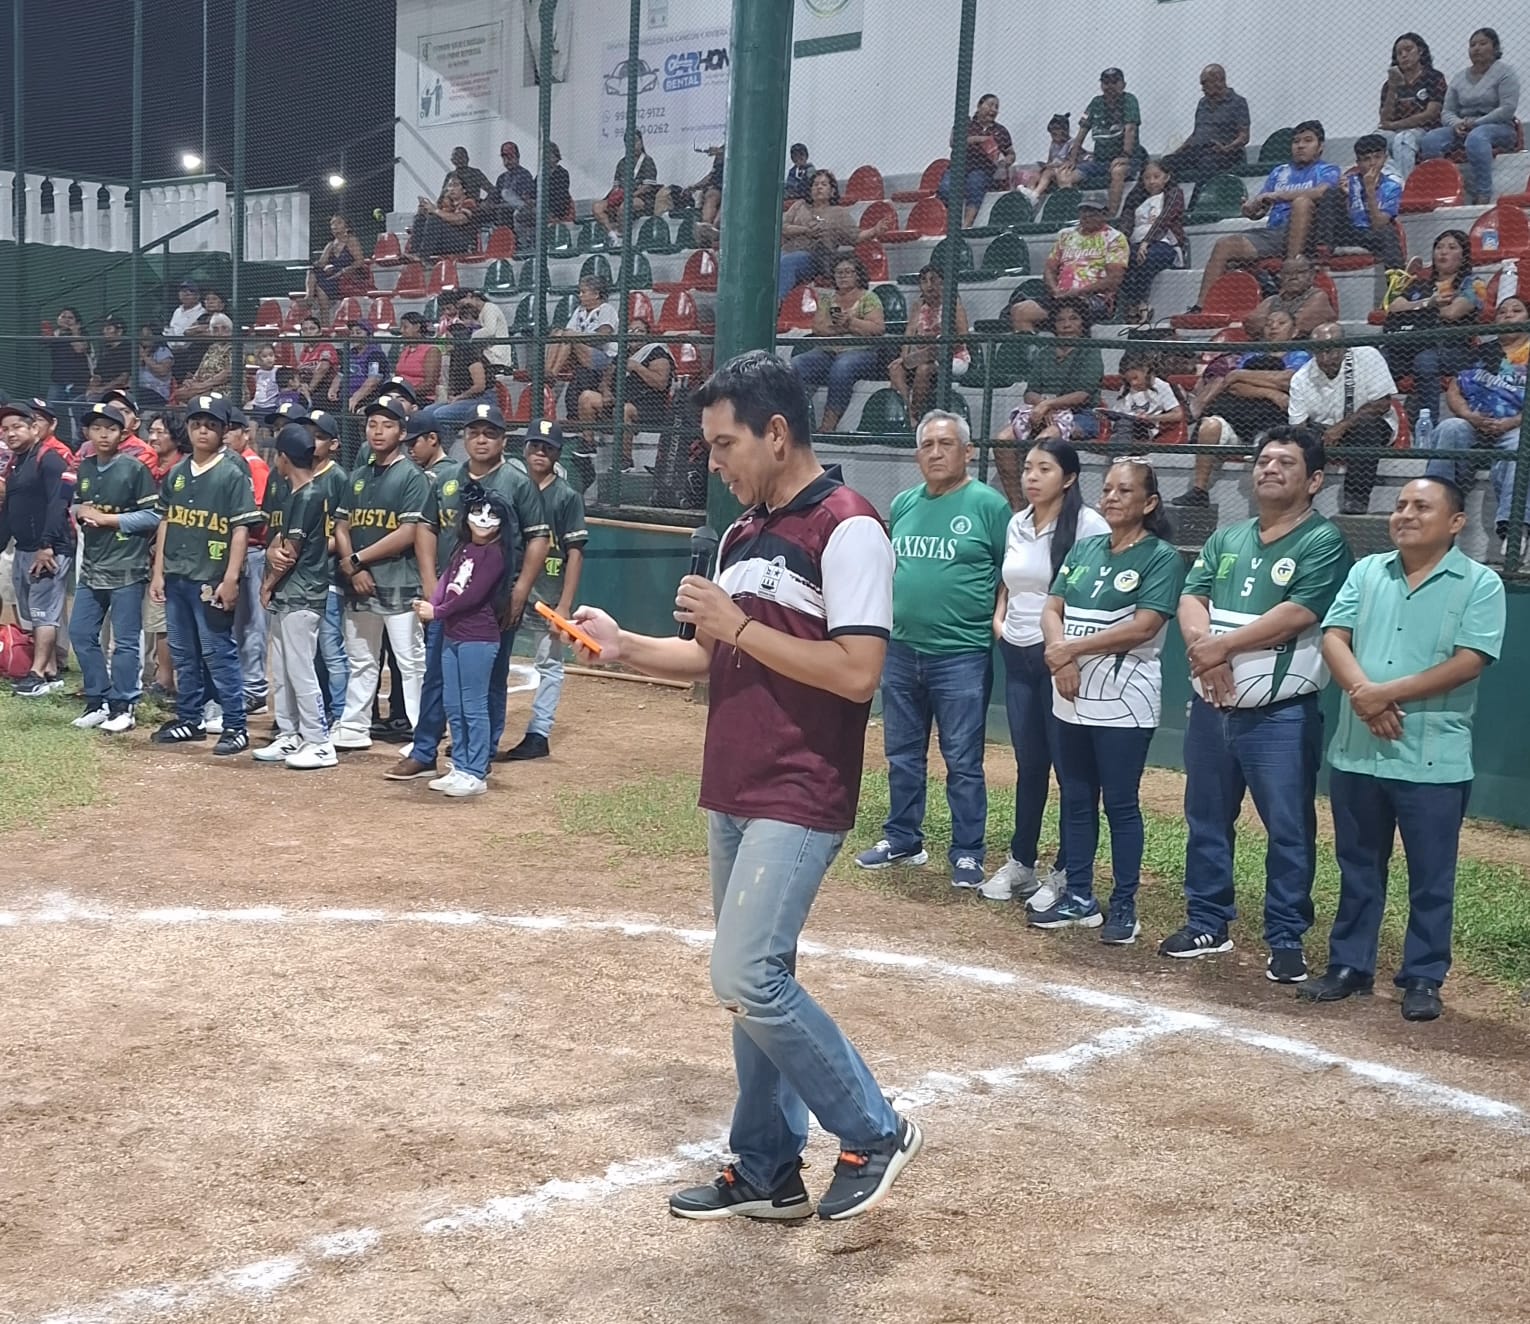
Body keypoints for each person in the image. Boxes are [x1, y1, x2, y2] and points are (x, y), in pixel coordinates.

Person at [567, 350, 922, 1223]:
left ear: (777, 433)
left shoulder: (849, 527)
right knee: (752, 984)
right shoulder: (740, 535)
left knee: (747, 973)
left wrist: (737, 626)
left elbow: (858, 672)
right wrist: (626, 646)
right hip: (732, 784)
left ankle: (873, 1130)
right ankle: (766, 1166)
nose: (714, 462)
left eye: (725, 445)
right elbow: (705, 656)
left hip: (800, 786)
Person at [1303, 477, 1506, 1021]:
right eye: (1399, 505)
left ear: (1456, 523)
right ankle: (1350, 965)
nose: (1405, 514)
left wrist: (1382, 694)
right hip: (1358, 753)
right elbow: (1334, 636)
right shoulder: (1367, 571)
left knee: (1431, 877)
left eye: (1421, 506)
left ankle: (1423, 976)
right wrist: (1363, 695)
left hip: (1433, 759)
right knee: (1358, 866)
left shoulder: (1481, 583)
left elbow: (1470, 661)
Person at [1165, 426, 1355, 982]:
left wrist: (1221, 647)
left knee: (1288, 826)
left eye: (1285, 463)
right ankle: (1207, 921)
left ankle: (1286, 936)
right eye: (1263, 460)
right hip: (1211, 709)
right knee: (1206, 818)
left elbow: (1300, 613)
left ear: (1314, 480)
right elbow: (1192, 596)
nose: (1270, 468)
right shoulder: (1227, 537)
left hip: (1281, 715)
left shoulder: (1323, 542)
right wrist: (1206, 649)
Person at [855, 410, 1010, 889]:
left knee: (962, 760)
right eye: (927, 445)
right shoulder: (903, 504)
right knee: (902, 753)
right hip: (902, 648)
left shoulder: (988, 505)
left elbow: (1011, 571)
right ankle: (903, 837)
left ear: (968, 452)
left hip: (962, 653)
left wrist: (997, 619)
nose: (936, 453)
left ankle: (967, 851)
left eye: (947, 444)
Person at [1036, 458, 1184, 940]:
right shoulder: (1085, 548)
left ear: (1150, 502)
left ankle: (1124, 905)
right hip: (1071, 696)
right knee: (1076, 799)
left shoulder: (1161, 557)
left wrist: (1070, 650)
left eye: (1124, 491)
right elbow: (1052, 608)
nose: (1112, 497)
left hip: (1126, 702)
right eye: (1107, 489)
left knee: (1120, 804)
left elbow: (1144, 626)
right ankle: (1080, 896)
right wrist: (1061, 657)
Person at [383, 402, 549, 781]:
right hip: (449, 596)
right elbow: (426, 527)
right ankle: (425, 751)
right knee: (437, 677)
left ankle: (479, 754)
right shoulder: (446, 479)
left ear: (503, 440)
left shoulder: (517, 482)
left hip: (495, 600)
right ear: (464, 438)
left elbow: (538, 538)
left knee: (489, 678)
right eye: (474, 433)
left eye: (490, 433)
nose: (481, 440)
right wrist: (431, 584)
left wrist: (521, 589)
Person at [979, 440, 1109, 906]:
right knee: (1030, 765)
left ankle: (1068, 872)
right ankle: (1022, 863)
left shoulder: (1090, 526)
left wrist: (1066, 653)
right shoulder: (1017, 522)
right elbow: (1010, 581)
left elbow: (1093, 595)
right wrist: (1000, 621)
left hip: (1063, 660)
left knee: (1073, 772)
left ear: (1069, 478)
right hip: (1017, 657)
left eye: (1044, 469)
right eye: (1028, 468)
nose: (1032, 477)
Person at [148, 395, 262, 755]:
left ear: (223, 431)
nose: (203, 431)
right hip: (178, 574)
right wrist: (158, 572)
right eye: (197, 424)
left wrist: (231, 578)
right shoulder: (179, 472)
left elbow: (241, 530)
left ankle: (235, 725)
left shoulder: (232, 471)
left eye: (211, 425)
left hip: (211, 578)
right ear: (187, 427)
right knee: (183, 652)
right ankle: (190, 718)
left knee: (218, 652)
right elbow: (166, 521)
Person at [330, 394, 435, 750]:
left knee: (410, 661)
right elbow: (341, 525)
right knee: (361, 659)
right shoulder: (357, 476)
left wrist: (357, 560)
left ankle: (423, 734)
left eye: (387, 425)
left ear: (402, 433)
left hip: (400, 584)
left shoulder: (412, 477)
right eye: (372, 424)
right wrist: (352, 566)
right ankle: (355, 726)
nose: (378, 431)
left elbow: (408, 532)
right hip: (361, 585)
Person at [412, 484, 515, 797]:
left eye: (491, 515)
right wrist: (433, 603)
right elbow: (447, 582)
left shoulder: (495, 555)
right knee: (453, 705)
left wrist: (437, 611)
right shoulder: (465, 548)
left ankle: (476, 771)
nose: (483, 520)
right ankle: (460, 765)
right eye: (477, 512)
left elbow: (473, 596)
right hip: (453, 635)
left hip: (478, 639)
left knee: (473, 705)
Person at [68, 402, 160, 733]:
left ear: (123, 433)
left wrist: (108, 519)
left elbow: (154, 515)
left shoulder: (134, 468)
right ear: (87, 433)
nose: (103, 434)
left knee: (125, 641)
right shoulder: (86, 467)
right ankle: (99, 700)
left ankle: (124, 705)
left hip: (127, 568)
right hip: (92, 567)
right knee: (80, 632)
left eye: (110, 428)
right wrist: (80, 511)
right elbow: (78, 504)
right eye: (96, 428)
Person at [252, 423, 338, 771]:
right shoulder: (298, 494)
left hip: (302, 593)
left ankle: (319, 742)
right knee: (284, 670)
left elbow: (289, 553)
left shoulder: (308, 495)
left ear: (283, 458)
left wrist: (266, 584)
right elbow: (279, 542)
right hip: (291, 593)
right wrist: (272, 556)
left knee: (301, 671)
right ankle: (290, 734)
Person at [502, 420, 587, 761]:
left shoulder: (566, 496)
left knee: (549, 665)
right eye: (535, 445)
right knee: (496, 659)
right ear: (524, 448)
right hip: (509, 589)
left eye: (548, 447)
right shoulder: (512, 488)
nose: (540, 452)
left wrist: (565, 605)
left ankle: (539, 734)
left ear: (558, 453)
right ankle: (486, 731)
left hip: (548, 593)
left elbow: (575, 553)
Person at [1190, 122, 1340, 312]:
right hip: (1275, 233)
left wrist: (1277, 196)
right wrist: (1250, 209)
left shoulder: (1328, 170)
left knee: (1301, 203)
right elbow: (1261, 207)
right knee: (1224, 245)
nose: (1300, 146)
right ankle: (1202, 308)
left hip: (1308, 233)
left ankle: (1289, 276)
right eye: (1296, 141)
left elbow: (1321, 192)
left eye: (1307, 141)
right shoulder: (1280, 172)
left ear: (1320, 147)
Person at [1175, 308, 1312, 507]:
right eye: (1269, 323)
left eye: (1281, 323)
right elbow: (1234, 386)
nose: (1273, 327)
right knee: (1210, 426)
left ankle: (1270, 504)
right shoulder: (1252, 353)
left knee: (1267, 444)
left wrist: (1241, 376)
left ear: (1295, 331)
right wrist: (1271, 393)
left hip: (1273, 422)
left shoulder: (1301, 355)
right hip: (1238, 418)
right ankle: (1199, 490)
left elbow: (1288, 381)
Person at [1422, 296, 1529, 549]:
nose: (1508, 315)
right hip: (1475, 423)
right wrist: (1468, 415)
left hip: (1516, 426)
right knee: (1450, 427)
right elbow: (1454, 389)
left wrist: (1513, 421)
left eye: (1516, 311)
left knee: (1521, 443)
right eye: (1502, 312)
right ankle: (1433, 513)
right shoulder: (1482, 351)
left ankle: (1514, 529)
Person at [0, 401, 73, 697]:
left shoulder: (50, 459)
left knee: (43, 612)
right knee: (32, 612)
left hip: (49, 550)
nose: (10, 433)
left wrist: (47, 546)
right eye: (5, 429)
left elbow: (59, 503)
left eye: (17, 427)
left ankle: (38, 673)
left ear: (34, 428)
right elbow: (9, 512)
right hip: (24, 548)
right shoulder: (16, 463)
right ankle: (50, 670)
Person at [1287, 324, 1400, 514]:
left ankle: (1356, 500)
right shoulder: (1301, 378)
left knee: (1366, 427)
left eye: (1331, 351)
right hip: (1324, 431)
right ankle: (1297, 502)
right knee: (1298, 439)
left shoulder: (1367, 356)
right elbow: (1297, 426)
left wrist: (1342, 426)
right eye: (1319, 352)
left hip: (1369, 427)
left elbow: (1382, 404)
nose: (1325, 358)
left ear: (1344, 347)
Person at [1384, 229, 1487, 421]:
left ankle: (1428, 424)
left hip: (1455, 350)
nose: (1443, 252)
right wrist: (1428, 303)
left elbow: (1453, 313)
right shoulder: (1420, 283)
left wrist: (1414, 307)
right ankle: (1384, 420)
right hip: (1412, 345)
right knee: (1380, 359)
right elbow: (1394, 307)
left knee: (1425, 361)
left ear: (1464, 256)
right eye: (1439, 247)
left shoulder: (1474, 284)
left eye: (1452, 247)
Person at [1419, 28, 1521, 205]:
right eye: (1472, 45)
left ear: (1495, 48)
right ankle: (1444, 189)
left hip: (1499, 127)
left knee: (1477, 138)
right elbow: (1447, 111)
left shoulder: (1505, 73)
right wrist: (1457, 124)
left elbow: (1507, 109)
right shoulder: (1459, 78)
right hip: (1463, 126)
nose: (1477, 48)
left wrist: (1476, 123)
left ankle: (1483, 193)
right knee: (1431, 140)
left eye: (1483, 43)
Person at [790, 255, 886, 433]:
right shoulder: (828, 299)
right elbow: (818, 327)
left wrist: (850, 322)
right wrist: (844, 329)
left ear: (858, 275)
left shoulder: (869, 298)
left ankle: (828, 425)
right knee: (796, 364)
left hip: (860, 352)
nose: (842, 276)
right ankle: (797, 420)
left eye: (848, 272)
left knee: (842, 367)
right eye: (839, 273)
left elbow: (877, 328)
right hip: (827, 351)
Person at [1009, 194, 1127, 333]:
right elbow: (1049, 269)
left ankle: (1072, 347)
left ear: (1105, 214)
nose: (1087, 216)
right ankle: (1030, 347)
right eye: (1084, 211)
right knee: (1020, 311)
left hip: (1094, 298)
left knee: (1068, 317)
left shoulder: (1115, 238)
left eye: (1093, 212)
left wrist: (1078, 292)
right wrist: (1055, 290)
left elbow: (1114, 279)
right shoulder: (1066, 235)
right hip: (1061, 296)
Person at [996, 300, 1105, 447]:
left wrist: (1048, 404)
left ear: (1083, 324)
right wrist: (1043, 406)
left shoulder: (1090, 352)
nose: (1066, 325)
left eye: (1073, 319)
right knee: (1003, 440)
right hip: (1041, 410)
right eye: (1060, 320)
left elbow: (1082, 395)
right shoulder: (1045, 353)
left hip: (1080, 414)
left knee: (1045, 440)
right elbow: (1030, 392)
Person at [778, 169, 892, 302]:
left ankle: (777, 302)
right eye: (815, 184)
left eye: (823, 184)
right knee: (773, 260)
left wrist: (875, 230)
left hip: (814, 258)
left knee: (788, 262)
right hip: (786, 250)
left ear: (832, 191)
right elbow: (782, 227)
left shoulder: (838, 213)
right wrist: (804, 230)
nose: (819, 187)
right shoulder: (799, 205)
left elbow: (855, 237)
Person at [888, 266, 969, 423]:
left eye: (934, 280)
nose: (929, 285)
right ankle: (907, 411)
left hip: (953, 357)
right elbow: (909, 332)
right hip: (922, 355)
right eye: (924, 281)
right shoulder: (918, 306)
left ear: (943, 283)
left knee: (924, 369)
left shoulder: (954, 305)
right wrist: (903, 357)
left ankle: (915, 412)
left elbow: (963, 337)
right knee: (895, 368)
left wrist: (941, 348)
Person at [1314, 135, 1404, 273]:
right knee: (1331, 193)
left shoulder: (1392, 187)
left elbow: (1378, 223)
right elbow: (1338, 215)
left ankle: (1396, 278)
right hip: (1347, 232)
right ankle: (1322, 251)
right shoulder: (1349, 181)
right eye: (1366, 159)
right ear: (1358, 163)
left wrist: (1370, 190)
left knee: (1388, 231)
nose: (1372, 163)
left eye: (1377, 157)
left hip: (1371, 233)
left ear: (1385, 158)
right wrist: (1344, 197)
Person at [1115, 159, 1186, 324]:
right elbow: (1126, 225)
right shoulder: (1136, 199)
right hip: (1135, 244)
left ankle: (1137, 303)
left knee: (1147, 258)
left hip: (1164, 244)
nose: (1152, 181)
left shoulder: (1174, 194)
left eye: (1156, 176)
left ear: (1166, 177)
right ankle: (1135, 302)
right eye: (1147, 178)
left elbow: (1164, 219)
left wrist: (1147, 241)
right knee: (1118, 262)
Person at [1068, 68, 1145, 217]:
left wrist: (1125, 155)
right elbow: (1082, 132)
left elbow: (1130, 129)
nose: (1110, 86)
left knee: (1117, 171)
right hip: (1099, 161)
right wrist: (1072, 158)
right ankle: (1074, 218)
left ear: (1123, 84)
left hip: (1127, 159)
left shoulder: (1129, 100)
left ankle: (1111, 217)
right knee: (1066, 176)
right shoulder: (1096, 103)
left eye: (1114, 82)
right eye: (1106, 82)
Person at [1160, 65, 1251, 183]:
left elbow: (1244, 136)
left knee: (1207, 164)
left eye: (1204, 83)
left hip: (1226, 154)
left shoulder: (1238, 102)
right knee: (1165, 163)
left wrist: (1227, 148)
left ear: (1218, 81)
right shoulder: (1202, 103)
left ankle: (1200, 195)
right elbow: (1196, 134)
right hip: (1199, 150)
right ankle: (1171, 193)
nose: (1202, 88)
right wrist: (1178, 151)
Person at [938, 94, 1014, 227]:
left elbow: (1011, 153)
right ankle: (949, 225)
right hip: (959, 167)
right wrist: (978, 139)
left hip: (983, 169)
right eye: (990, 105)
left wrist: (1006, 161)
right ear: (979, 106)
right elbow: (953, 142)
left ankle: (966, 225)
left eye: (996, 107)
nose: (993, 110)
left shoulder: (1001, 131)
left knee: (975, 183)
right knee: (945, 188)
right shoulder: (965, 124)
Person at [1378, 33, 1448, 177]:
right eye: (1399, 53)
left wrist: (1394, 125)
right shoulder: (1389, 85)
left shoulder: (1433, 77)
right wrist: (1392, 87)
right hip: (1395, 130)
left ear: (1420, 51)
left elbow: (1431, 113)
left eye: (1408, 50)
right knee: (1376, 139)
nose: (1404, 55)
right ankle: (1382, 184)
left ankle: (1404, 186)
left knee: (1404, 139)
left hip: (1425, 130)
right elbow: (1384, 120)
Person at [1244, 254, 1336, 339]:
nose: (1293, 277)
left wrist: (1270, 324)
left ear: (1311, 275)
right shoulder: (1273, 299)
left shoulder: (1318, 295)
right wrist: (1282, 325)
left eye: (1300, 272)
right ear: (1281, 276)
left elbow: (1302, 323)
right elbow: (1252, 324)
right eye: (1288, 273)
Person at [592, 130, 659, 245]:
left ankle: (622, 236)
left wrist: (629, 195)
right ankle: (612, 234)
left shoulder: (647, 161)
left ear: (641, 142)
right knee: (597, 206)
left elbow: (647, 187)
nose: (633, 145)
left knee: (625, 206)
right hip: (622, 196)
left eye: (636, 141)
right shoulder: (622, 163)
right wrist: (611, 198)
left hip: (641, 198)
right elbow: (616, 186)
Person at [1103, 351, 1185, 444]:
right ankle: (1119, 447)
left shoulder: (1161, 386)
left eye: (1135, 378)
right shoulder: (1126, 388)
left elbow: (1178, 414)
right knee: (1122, 424)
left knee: (1124, 425)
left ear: (1146, 370)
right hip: (1122, 427)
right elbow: (1119, 411)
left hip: (1145, 428)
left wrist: (1150, 418)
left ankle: (1117, 448)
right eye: (1128, 380)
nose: (1133, 383)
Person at [305, 214, 366, 325]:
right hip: (333, 276)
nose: (334, 226)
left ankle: (325, 324)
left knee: (321, 286)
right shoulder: (330, 245)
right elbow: (322, 263)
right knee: (312, 272)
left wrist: (344, 271)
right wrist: (320, 266)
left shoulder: (351, 241)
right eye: (332, 223)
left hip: (348, 277)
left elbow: (360, 261)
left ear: (347, 226)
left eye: (338, 223)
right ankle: (309, 296)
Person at [47, 307, 93, 442]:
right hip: (58, 380)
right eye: (63, 317)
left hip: (78, 381)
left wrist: (74, 331)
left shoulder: (82, 333)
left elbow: (80, 348)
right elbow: (44, 342)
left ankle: (78, 442)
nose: (66, 320)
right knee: (49, 409)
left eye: (70, 317)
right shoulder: (56, 334)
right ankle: (51, 440)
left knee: (77, 412)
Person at [412, 173, 478, 260]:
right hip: (444, 241)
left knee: (434, 220)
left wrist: (435, 210)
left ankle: (422, 256)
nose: (452, 189)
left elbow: (460, 219)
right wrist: (424, 212)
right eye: (450, 186)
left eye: (455, 185)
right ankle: (414, 253)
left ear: (464, 189)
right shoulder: (445, 203)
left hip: (461, 242)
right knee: (420, 219)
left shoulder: (469, 202)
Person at [391, 312, 443, 401]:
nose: (402, 331)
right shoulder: (405, 350)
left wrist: (406, 392)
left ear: (417, 327)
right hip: (401, 395)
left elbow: (430, 384)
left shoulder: (431, 351)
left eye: (405, 327)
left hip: (421, 398)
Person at [88, 316, 132, 402]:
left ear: (119, 331)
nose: (104, 331)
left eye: (108, 328)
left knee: (94, 400)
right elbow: (97, 374)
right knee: (79, 400)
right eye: (104, 328)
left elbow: (124, 378)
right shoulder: (105, 349)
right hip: (103, 389)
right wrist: (92, 387)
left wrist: (103, 389)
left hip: (120, 390)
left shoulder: (127, 349)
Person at [138, 325, 175, 408]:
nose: (145, 337)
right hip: (139, 389)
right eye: (142, 335)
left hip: (157, 393)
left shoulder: (163, 351)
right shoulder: (136, 352)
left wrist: (144, 356)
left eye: (148, 335)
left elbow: (163, 371)